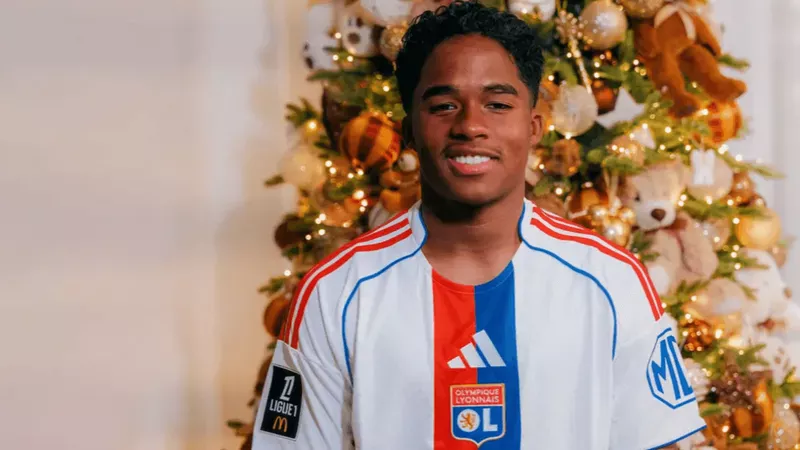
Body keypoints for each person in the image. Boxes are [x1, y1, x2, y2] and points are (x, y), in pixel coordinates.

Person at [252, 2, 705, 449]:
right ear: (409, 132)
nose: (470, 126)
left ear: (534, 127)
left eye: (497, 104)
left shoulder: (612, 280)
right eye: (444, 105)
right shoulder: (335, 292)